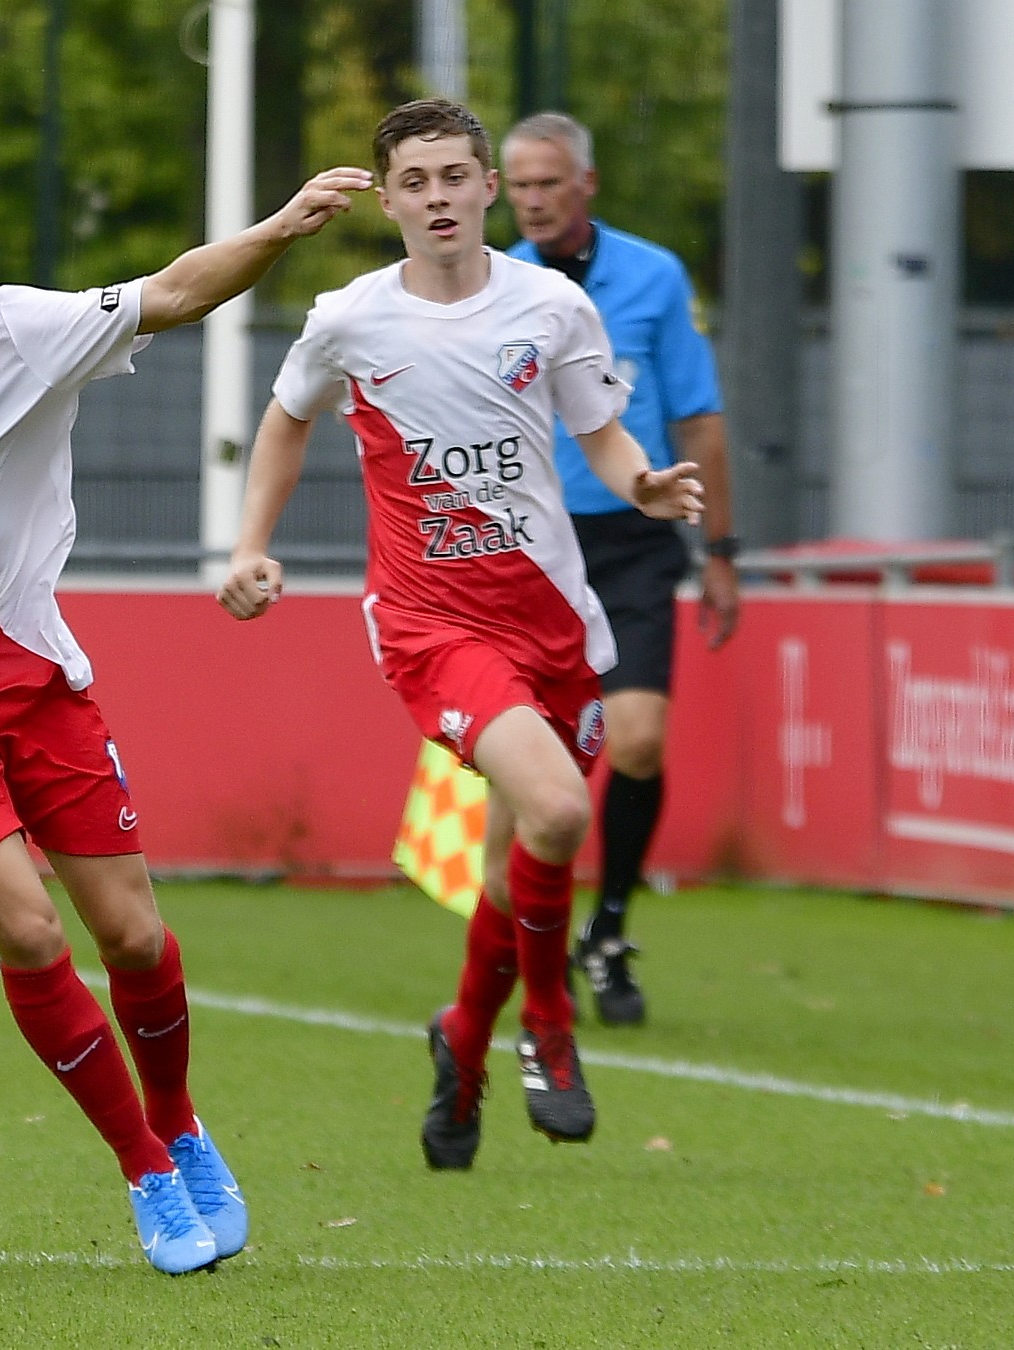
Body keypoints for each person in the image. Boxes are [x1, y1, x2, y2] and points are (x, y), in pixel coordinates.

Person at [0, 155, 370, 1274]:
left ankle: (180, 1125)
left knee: (132, 935)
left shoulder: (24, 331)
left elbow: (174, 290)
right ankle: (144, 1171)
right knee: (32, 932)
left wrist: (282, 227)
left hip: (36, 681)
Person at [219, 100, 703, 1171]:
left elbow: (601, 433)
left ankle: (464, 1042)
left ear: (490, 188)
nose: (437, 196)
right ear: (388, 202)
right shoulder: (350, 318)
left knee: (520, 866)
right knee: (561, 809)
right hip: (432, 624)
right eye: (415, 181)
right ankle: (551, 1028)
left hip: (555, 620)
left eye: (453, 176)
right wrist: (250, 545)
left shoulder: (553, 306)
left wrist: (643, 485)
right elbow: (287, 418)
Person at [501, 112, 739, 1028]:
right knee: (536, 764)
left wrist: (721, 552)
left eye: (548, 182)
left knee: (636, 743)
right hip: (531, 544)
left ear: (586, 184)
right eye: (519, 185)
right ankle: (527, 939)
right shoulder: (494, 282)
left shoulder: (654, 277)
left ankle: (607, 928)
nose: (533, 200)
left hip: (635, 538)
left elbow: (699, 419)